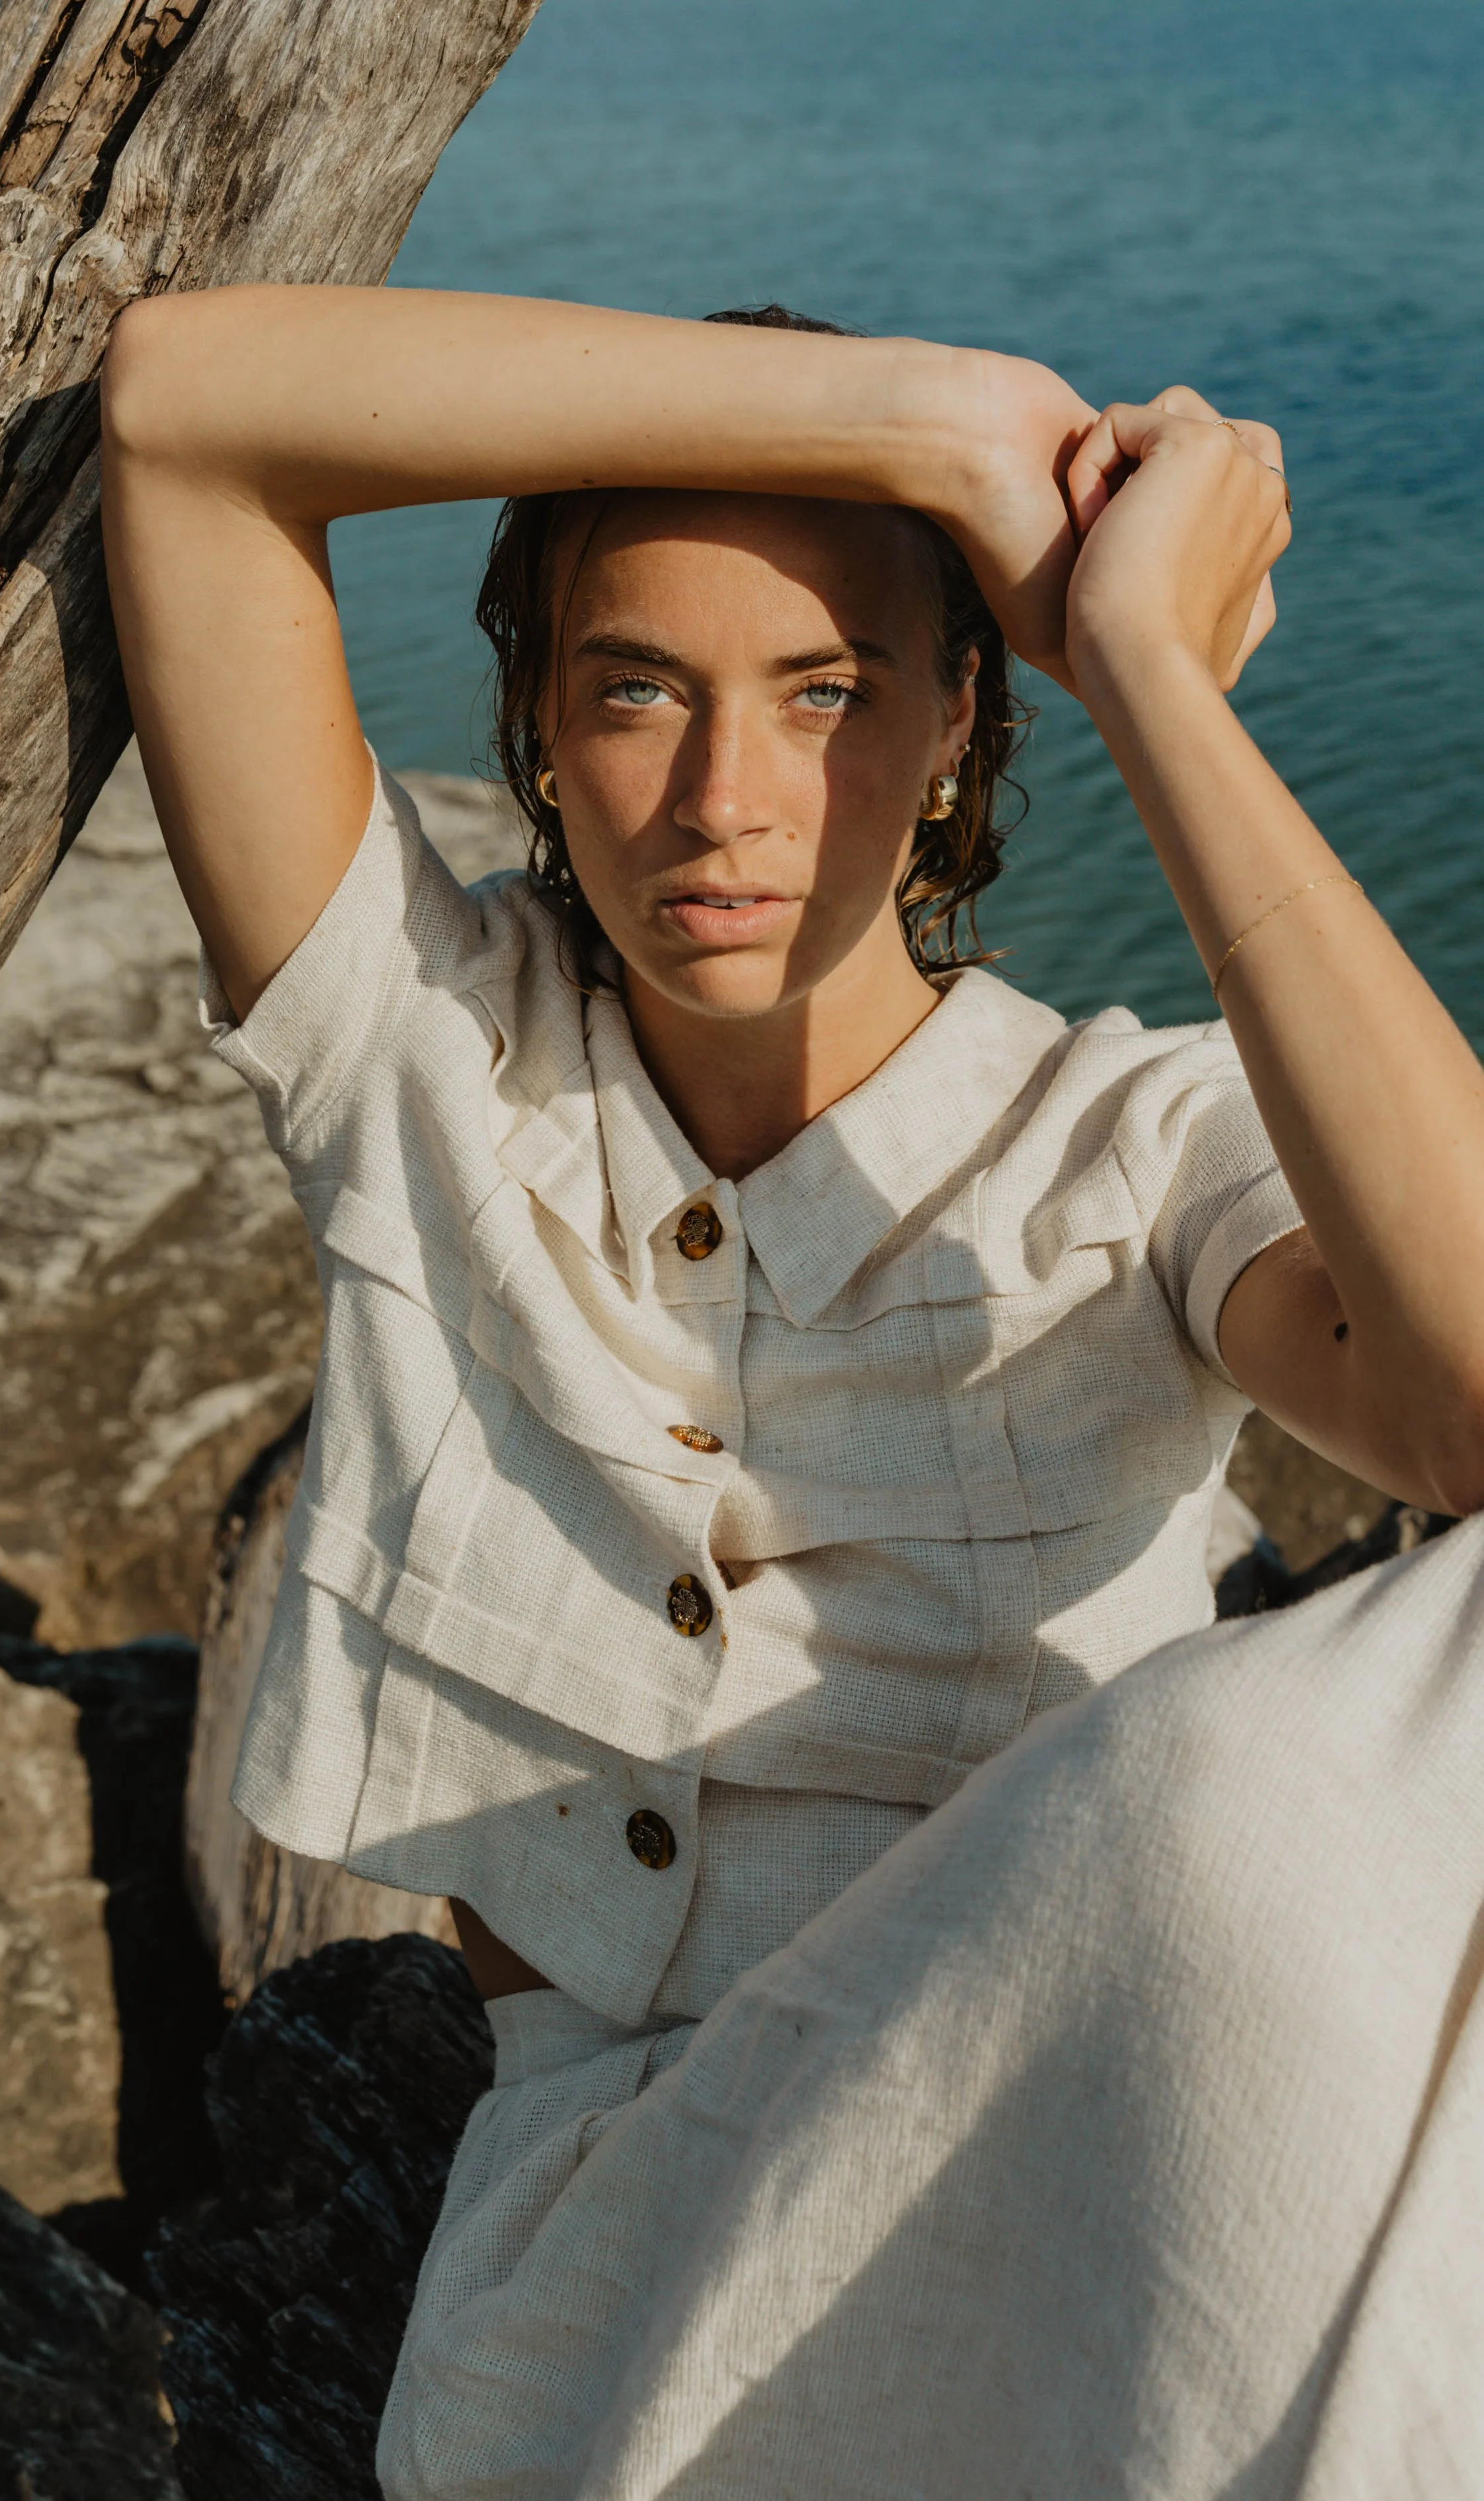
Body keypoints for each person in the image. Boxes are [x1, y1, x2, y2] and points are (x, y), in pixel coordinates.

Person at [99, 290, 1484, 2494]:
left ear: (959, 712)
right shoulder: (427, 1059)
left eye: (827, 693)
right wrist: (935, 424)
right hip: (616, 2268)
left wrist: (1146, 675)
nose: (725, 802)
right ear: (540, 733)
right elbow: (178, 412)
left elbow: (1474, 1413)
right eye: (634, 689)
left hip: (1082, 2151)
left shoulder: (1125, 1149)